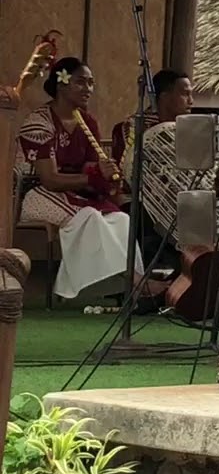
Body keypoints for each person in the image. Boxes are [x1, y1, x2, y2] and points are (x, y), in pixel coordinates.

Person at [15, 57, 164, 300]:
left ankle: (127, 286)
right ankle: (138, 284)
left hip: (75, 191)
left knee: (120, 219)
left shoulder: (87, 121)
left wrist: (106, 174)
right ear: (61, 85)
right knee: (91, 218)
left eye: (91, 83)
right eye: (81, 82)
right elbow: (50, 179)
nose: (88, 89)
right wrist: (93, 175)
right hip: (37, 193)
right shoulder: (38, 123)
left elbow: (91, 165)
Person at [110, 69, 195, 167]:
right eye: (185, 94)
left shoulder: (189, 130)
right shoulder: (132, 128)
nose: (191, 101)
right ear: (164, 97)